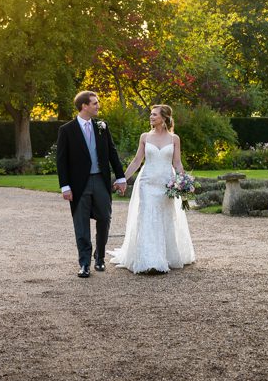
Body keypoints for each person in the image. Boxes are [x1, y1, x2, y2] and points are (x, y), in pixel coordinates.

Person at [110, 104, 196, 274]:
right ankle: (150, 261)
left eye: (154, 115)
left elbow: (177, 163)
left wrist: (183, 181)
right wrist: (122, 178)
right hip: (147, 183)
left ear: (164, 118)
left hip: (166, 184)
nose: (151, 117)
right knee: (149, 217)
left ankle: (165, 256)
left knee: (164, 218)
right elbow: (136, 161)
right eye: (151, 114)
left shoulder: (174, 139)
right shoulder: (145, 137)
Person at [57, 90, 126, 278]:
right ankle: (85, 264)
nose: (98, 106)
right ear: (84, 106)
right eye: (95, 103)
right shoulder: (66, 130)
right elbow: (61, 161)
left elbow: (112, 153)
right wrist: (65, 186)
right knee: (81, 224)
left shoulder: (102, 126)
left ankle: (100, 256)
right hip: (79, 184)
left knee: (105, 217)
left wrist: (120, 177)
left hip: (100, 181)